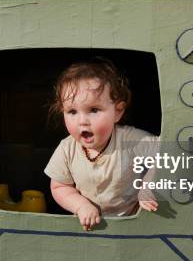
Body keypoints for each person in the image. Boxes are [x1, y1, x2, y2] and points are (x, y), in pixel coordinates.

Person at [44, 58, 158, 231]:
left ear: (117, 112)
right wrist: (80, 206)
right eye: (72, 112)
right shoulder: (67, 148)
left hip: (133, 222)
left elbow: (166, 154)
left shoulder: (131, 140)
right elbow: (60, 186)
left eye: (94, 110)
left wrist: (148, 187)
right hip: (91, 226)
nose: (82, 121)